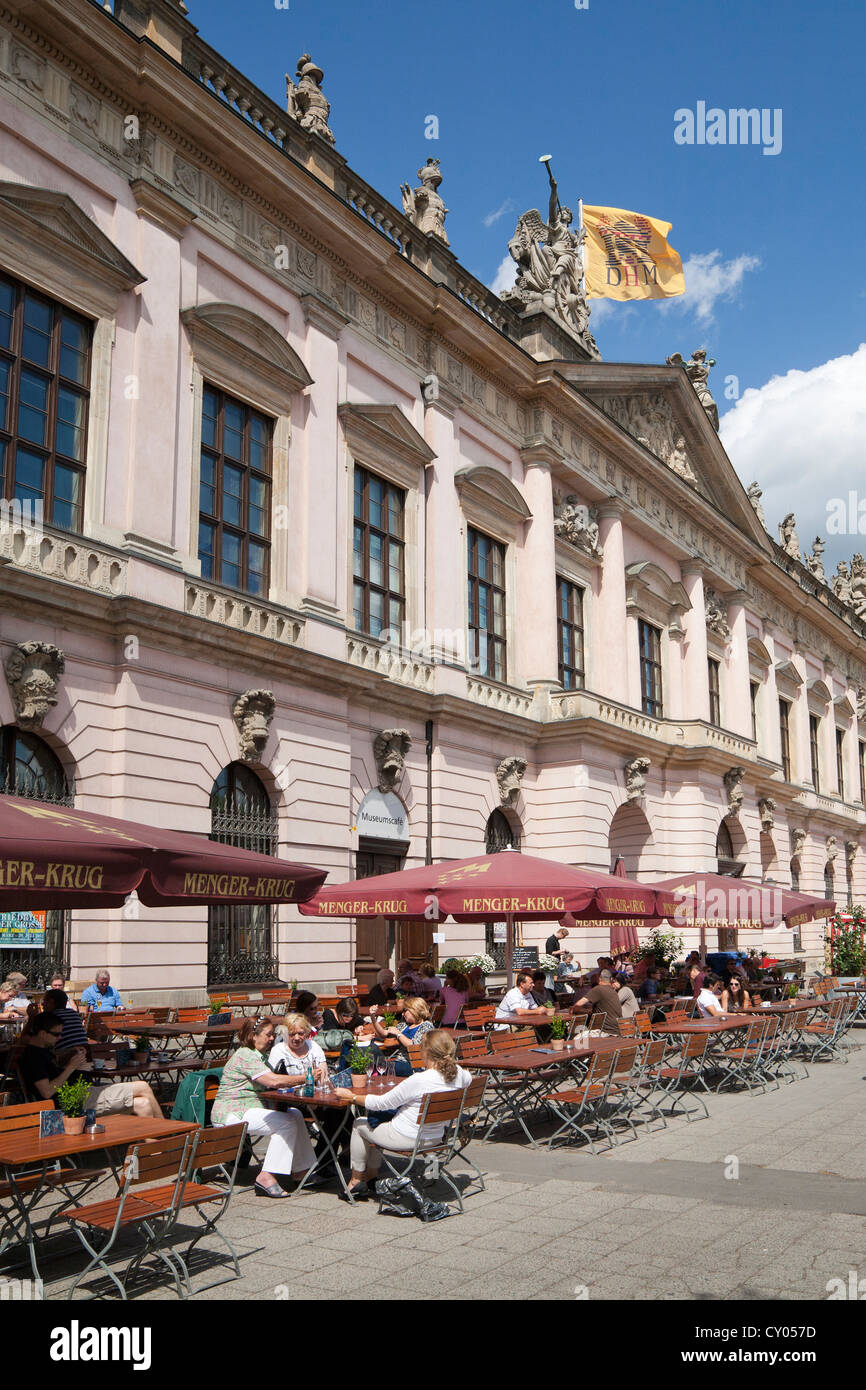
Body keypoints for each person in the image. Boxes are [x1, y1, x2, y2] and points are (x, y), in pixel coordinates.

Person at [334, 1029, 472, 1200]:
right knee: (378, 1121)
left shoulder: (420, 1080)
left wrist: (352, 1097)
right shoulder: (461, 1075)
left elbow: (381, 1103)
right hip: (438, 1136)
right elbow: (467, 1078)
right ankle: (372, 1177)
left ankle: (356, 1181)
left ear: (426, 1051)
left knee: (361, 1124)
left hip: (409, 1137)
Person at [210, 1017, 321, 1198]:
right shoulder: (245, 1055)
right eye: (268, 1035)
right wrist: (306, 1077)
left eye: (272, 1035)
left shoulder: (258, 1056)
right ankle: (266, 1177)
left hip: (248, 1108)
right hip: (231, 1113)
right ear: (254, 1035)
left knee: (295, 1114)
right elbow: (273, 1080)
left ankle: (301, 1170)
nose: (271, 1039)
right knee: (286, 1122)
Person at [16, 1009, 161, 1118]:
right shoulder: (33, 1057)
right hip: (72, 1102)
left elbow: (52, 1061)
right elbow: (47, 1092)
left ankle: (157, 1151)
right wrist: (71, 1067)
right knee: (143, 1086)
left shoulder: (41, 1050)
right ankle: (170, 1136)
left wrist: (69, 1051)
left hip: (79, 1095)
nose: (60, 1038)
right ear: (42, 1033)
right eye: (56, 1034)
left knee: (144, 1104)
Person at [370, 996, 434, 1076]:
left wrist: (398, 1034)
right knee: (372, 1057)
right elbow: (383, 1033)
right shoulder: (404, 1025)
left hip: (415, 1065)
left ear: (414, 1010)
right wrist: (373, 1017)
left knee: (380, 1067)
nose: (402, 1014)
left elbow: (413, 1045)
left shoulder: (426, 1026)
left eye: (405, 1011)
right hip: (400, 1061)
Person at [40, 988, 89, 1054]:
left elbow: (29, 1039)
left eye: (45, 1000)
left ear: (51, 1002)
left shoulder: (48, 1016)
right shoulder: (73, 1013)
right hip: (84, 1052)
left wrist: (31, 1018)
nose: (42, 1004)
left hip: (63, 1054)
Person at [572, 969, 622, 1033]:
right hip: (617, 1030)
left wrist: (575, 1010)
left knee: (577, 1038)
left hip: (605, 1031)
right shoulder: (613, 991)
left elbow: (577, 1005)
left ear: (599, 979)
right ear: (611, 979)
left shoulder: (598, 989)